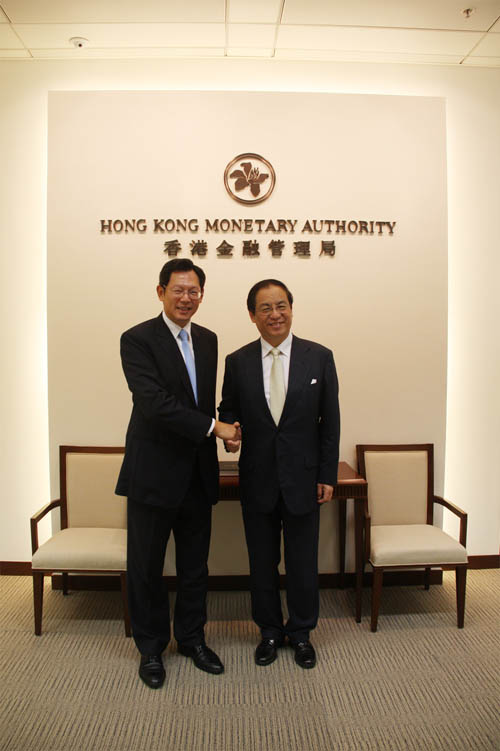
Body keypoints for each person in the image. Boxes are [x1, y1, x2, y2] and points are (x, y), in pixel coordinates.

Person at [115, 258, 240, 689]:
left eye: (194, 291)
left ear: (201, 294)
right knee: (146, 567)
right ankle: (151, 649)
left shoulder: (208, 340)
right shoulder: (137, 339)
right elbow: (155, 404)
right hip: (153, 473)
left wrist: (226, 427)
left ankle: (191, 639)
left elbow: (204, 401)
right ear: (160, 291)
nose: (186, 298)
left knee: (194, 567)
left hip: (197, 473)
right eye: (178, 290)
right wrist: (213, 427)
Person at [218, 279, 340, 669]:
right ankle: (269, 631)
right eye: (266, 308)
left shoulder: (319, 357)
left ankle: (301, 632)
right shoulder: (237, 362)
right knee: (262, 562)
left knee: (303, 562)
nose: (276, 314)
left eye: (282, 305)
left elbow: (330, 423)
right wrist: (229, 435)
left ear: (292, 308)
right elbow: (228, 410)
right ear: (252, 315)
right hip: (257, 479)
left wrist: (327, 475)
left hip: (304, 480)